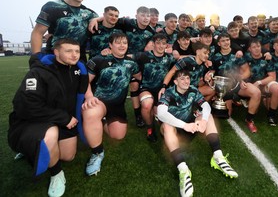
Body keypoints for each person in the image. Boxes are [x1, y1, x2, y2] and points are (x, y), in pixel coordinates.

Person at [8, 38, 88, 197]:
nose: (74, 55)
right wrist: (63, 118)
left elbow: (84, 91)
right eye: (68, 51)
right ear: (56, 52)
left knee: (68, 156)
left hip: (66, 121)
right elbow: (25, 104)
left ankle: (38, 147)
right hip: (39, 120)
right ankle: (56, 174)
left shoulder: (79, 69)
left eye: (77, 51)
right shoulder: (39, 71)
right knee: (49, 136)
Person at [157, 70, 238, 197]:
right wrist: (185, 125)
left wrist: (204, 121)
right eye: (182, 79)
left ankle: (218, 156)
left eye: (188, 78)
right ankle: (183, 170)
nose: (186, 81)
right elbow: (161, 113)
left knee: (208, 116)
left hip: (190, 127)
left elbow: (206, 106)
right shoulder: (169, 93)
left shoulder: (193, 90)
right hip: (174, 131)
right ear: (175, 81)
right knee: (167, 126)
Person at [82, 33, 141, 176]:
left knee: (118, 135)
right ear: (110, 45)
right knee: (91, 113)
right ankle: (97, 153)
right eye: (118, 42)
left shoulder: (131, 63)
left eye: (124, 43)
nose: (122, 46)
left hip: (117, 106)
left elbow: (138, 76)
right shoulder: (98, 60)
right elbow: (83, 81)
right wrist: (89, 96)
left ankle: (100, 123)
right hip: (99, 101)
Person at [31, 0, 98, 61]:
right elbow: (38, 32)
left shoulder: (90, 14)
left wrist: (97, 19)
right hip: (55, 55)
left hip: (78, 57)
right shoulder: (52, 7)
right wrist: (36, 57)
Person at [211, 33, 262, 126]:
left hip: (237, 84)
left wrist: (240, 79)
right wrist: (209, 74)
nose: (226, 42)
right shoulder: (215, 57)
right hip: (223, 87)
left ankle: (249, 120)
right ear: (219, 44)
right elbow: (212, 70)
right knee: (226, 114)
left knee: (256, 92)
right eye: (223, 41)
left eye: (227, 40)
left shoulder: (237, 56)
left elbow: (247, 71)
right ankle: (231, 100)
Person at [135, 33, 175, 142]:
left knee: (160, 116)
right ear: (153, 44)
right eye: (158, 43)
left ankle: (159, 122)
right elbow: (126, 56)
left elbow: (178, 65)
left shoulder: (169, 58)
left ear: (166, 45)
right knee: (147, 105)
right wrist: (109, 52)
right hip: (146, 88)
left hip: (161, 90)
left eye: (163, 43)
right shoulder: (144, 56)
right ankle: (150, 128)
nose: (161, 46)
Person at [245, 38, 278, 130]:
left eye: (258, 46)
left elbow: (272, 76)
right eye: (254, 47)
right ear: (249, 49)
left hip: (264, 83)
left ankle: (271, 115)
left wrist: (259, 82)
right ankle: (249, 118)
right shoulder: (246, 58)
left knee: (277, 89)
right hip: (250, 84)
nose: (257, 49)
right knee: (255, 108)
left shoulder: (267, 58)